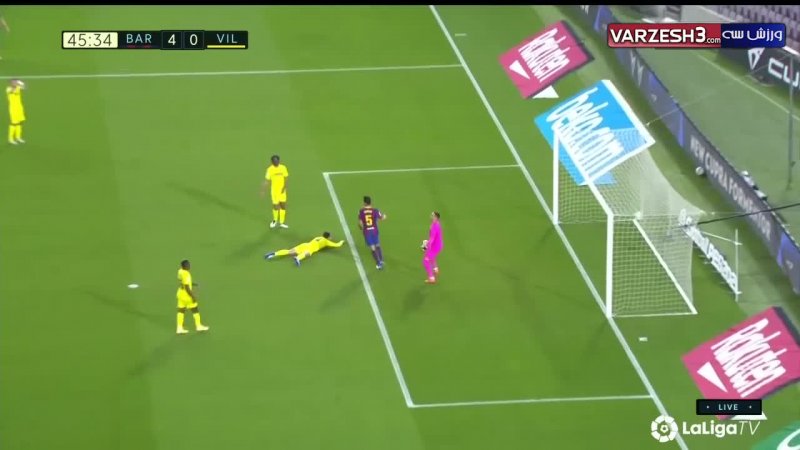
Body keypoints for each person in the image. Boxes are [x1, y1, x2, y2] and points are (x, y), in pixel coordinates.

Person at [264, 232, 344, 266]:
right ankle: (298, 258)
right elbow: (337, 245)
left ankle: (274, 254)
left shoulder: (318, 237)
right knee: (307, 254)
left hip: (305, 245)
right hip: (310, 249)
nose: (331, 237)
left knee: (290, 251)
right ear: (327, 237)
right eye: (330, 236)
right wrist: (342, 241)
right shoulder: (326, 241)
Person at [176, 260, 209, 334]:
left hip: (180, 294)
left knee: (181, 310)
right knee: (195, 310)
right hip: (186, 295)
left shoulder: (180, 271)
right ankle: (198, 326)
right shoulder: (186, 274)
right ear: (186, 266)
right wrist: (193, 296)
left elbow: (182, 282)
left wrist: (193, 284)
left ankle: (179, 328)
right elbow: (187, 287)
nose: (190, 266)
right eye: (188, 265)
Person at [358, 195, 386, 269]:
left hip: (367, 232)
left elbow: (360, 223)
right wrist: (384, 216)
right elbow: (381, 218)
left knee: (373, 248)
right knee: (377, 245)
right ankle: (381, 260)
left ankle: (378, 264)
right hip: (374, 230)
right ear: (370, 202)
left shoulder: (361, 211)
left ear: (364, 203)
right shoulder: (375, 210)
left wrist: (361, 228)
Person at [260, 155, 289, 229]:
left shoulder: (283, 168)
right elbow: (267, 181)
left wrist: (285, 187)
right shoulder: (270, 169)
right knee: (275, 206)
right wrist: (263, 190)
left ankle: (282, 222)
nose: (275, 162)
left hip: (282, 191)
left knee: (283, 206)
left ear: (279, 161)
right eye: (274, 161)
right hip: (274, 191)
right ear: (272, 162)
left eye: (276, 161)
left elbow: (286, 178)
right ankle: (275, 220)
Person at [422, 211, 443, 284]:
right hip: (438, 245)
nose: (431, 216)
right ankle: (435, 269)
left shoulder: (434, 226)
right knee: (432, 257)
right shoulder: (437, 223)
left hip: (435, 247)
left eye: (433, 215)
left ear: (436, 217)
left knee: (425, 261)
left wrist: (427, 246)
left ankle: (431, 278)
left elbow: (432, 238)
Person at [7, 79, 24, 145]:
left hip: (19, 108)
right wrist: (18, 85)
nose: (15, 83)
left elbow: (25, 88)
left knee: (19, 122)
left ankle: (18, 137)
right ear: (10, 83)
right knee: (13, 123)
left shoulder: (18, 87)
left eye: (15, 82)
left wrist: (22, 83)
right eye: (13, 82)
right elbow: (12, 91)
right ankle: (10, 139)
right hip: (13, 109)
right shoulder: (8, 89)